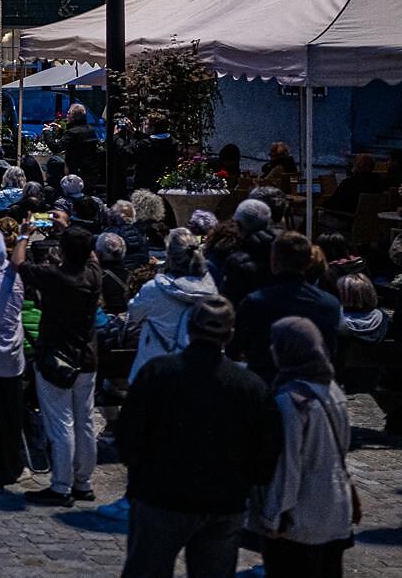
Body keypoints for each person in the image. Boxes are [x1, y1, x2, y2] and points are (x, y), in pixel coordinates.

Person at [118, 297, 282, 578]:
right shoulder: (250, 386)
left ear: (190, 329)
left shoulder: (159, 372)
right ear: (229, 335)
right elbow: (267, 449)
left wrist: (140, 473)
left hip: (160, 496)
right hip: (223, 501)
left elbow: (129, 433)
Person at [250, 318, 356, 577]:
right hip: (335, 511)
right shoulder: (333, 391)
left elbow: (288, 466)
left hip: (301, 518)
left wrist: (273, 516)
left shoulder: (291, 400)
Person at [21, 224, 102, 506]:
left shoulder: (53, 276)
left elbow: (18, 263)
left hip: (57, 356)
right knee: (85, 421)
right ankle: (83, 482)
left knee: (61, 423)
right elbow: (91, 257)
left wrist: (22, 234)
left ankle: (61, 485)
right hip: (86, 356)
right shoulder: (93, 275)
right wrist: (69, 228)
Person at [235, 231, 344, 381]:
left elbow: (234, 349)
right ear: (309, 262)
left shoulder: (255, 302)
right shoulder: (330, 304)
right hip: (315, 387)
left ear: (274, 260)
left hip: (267, 386)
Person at [127, 228, 217, 378]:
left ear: (169, 257)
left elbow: (134, 314)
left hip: (156, 368)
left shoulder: (153, 290)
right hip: (195, 371)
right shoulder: (212, 290)